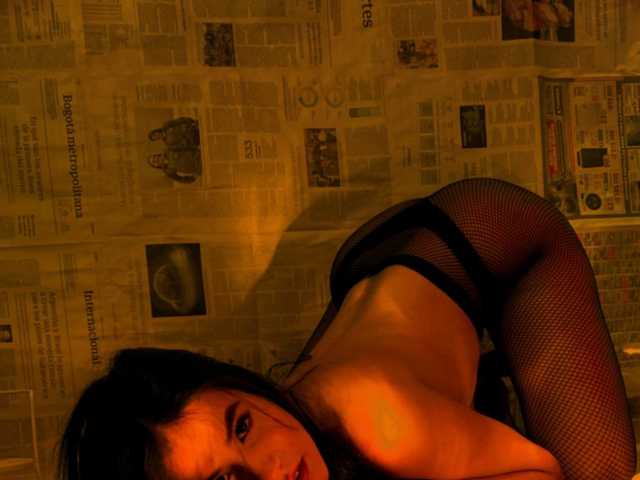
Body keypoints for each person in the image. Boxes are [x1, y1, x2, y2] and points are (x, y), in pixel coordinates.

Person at [57, 178, 636, 480]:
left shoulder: (384, 423)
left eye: (243, 425)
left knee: (598, 475)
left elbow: (542, 472)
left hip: (489, 242)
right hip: (374, 276)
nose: (273, 469)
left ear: (233, 381)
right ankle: (454, 384)